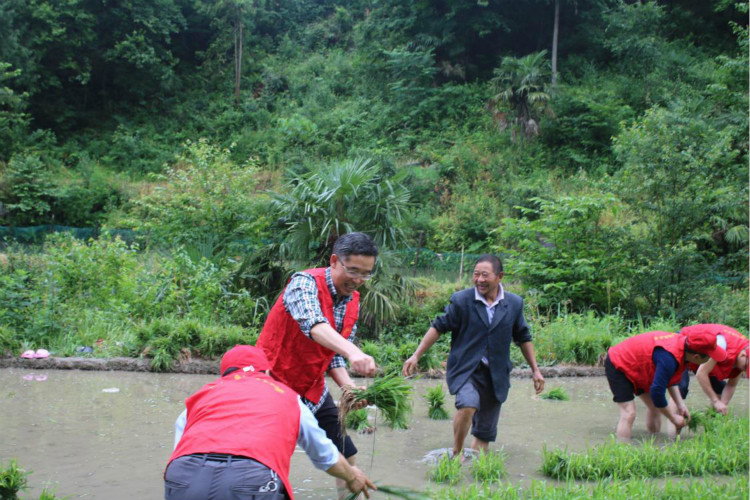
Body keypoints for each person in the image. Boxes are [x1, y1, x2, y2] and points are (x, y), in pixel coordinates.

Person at [255, 232, 378, 497]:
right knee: (270, 463)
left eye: (365, 274)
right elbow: (313, 324)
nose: (358, 280)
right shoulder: (304, 284)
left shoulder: (352, 299)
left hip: (311, 387)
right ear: (334, 261)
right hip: (271, 386)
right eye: (353, 270)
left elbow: (331, 354)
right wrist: (354, 352)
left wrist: (348, 386)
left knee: (347, 455)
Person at [166, 345, 375, 500]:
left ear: (225, 374)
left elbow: (182, 452)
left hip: (183, 477)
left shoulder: (199, 398)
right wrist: (351, 475)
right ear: (267, 372)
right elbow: (326, 456)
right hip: (250, 480)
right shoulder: (287, 397)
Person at [402, 254, 545, 460]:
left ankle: (474, 477)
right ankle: (457, 453)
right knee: (468, 404)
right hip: (465, 369)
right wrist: (416, 355)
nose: (479, 280)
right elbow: (439, 327)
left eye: (485, 275)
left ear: (499, 276)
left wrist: (536, 370)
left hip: (496, 374)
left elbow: (523, 337)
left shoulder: (513, 303)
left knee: (483, 435)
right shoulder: (462, 301)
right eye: (476, 274)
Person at [604, 328, 727, 442]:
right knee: (629, 413)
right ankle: (623, 453)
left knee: (655, 408)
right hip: (619, 363)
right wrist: (673, 418)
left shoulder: (683, 350)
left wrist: (680, 404)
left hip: (641, 367)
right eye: (709, 357)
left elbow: (670, 380)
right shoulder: (669, 358)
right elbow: (657, 393)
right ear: (696, 357)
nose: (711, 361)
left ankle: (652, 442)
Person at [677, 324, 749, 415]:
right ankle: (674, 426)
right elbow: (701, 374)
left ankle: (711, 423)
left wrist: (722, 405)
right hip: (686, 343)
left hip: (701, 357)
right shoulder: (721, 345)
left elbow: (731, 385)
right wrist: (715, 401)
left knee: (720, 390)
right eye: (746, 367)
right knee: (680, 389)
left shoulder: (743, 357)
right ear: (742, 356)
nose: (745, 370)